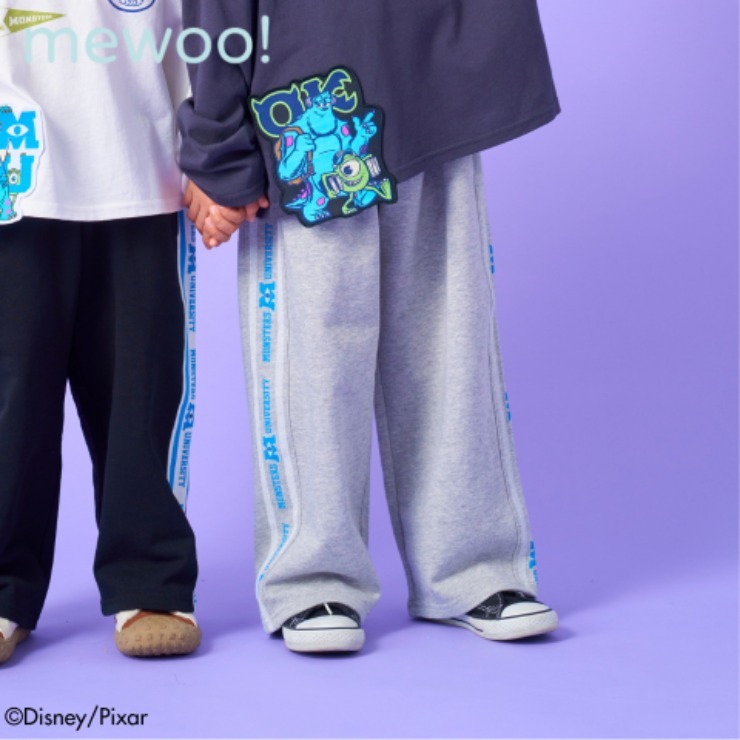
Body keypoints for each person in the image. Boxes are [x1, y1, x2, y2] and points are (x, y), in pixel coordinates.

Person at [179, 0, 560, 654]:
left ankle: (471, 567)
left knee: (450, 338)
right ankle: (311, 576)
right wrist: (218, 144)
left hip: (434, 82)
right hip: (308, 97)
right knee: (315, 348)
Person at [0, 0, 200, 663]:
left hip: (138, 163)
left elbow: (195, 26)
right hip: (13, 171)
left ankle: (148, 577)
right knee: (11, 393)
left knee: (140, 387)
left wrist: (210, 152)